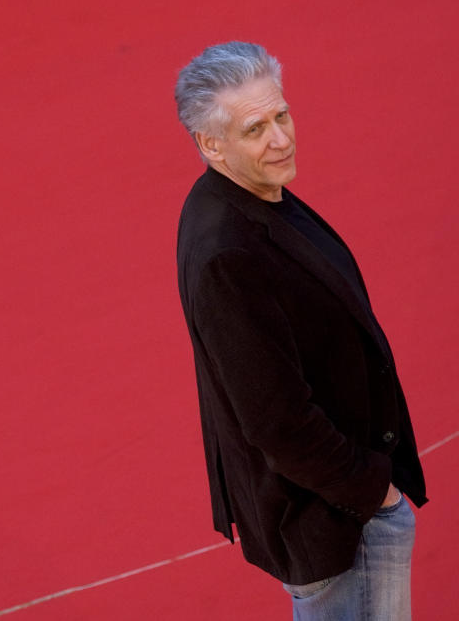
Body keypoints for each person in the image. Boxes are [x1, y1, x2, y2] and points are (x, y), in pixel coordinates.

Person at [173, 41, 428, 620]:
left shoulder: (246, 195)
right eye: (255, 128)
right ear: (211, 145)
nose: (281, 139)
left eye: (282, 115)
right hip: (335, 520)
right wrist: (375, 493)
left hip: (339, 503)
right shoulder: (227, 253)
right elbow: (275, 420)